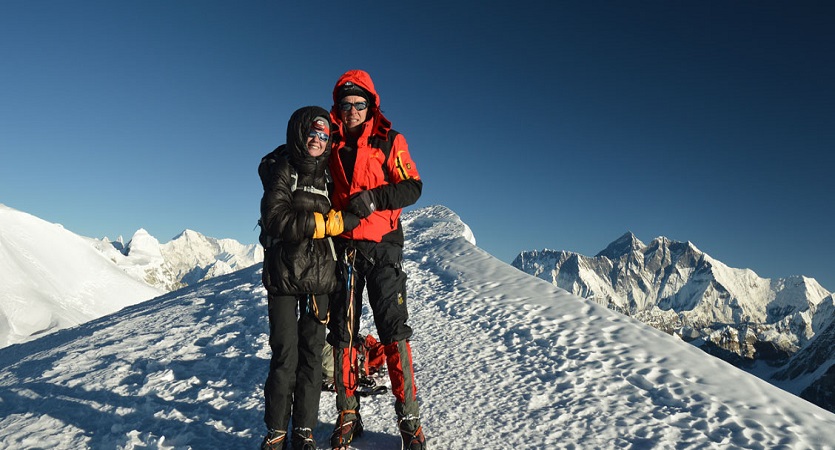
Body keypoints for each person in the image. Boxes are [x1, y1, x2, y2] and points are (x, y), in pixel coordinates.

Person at [325, 70, 426, 450]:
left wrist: (375, 199)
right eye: (345, 104)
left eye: (358, 104)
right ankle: (348, 412)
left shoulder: (389, 140)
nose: (351, 110)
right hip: (346, 250)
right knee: (344, 335)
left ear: (371, 106)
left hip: (383, 248)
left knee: (393, 332)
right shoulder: (330, 142)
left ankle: (410, 419)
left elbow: (412, 186)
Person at [258, 106, 360, 450]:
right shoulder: (284, 169)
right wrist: (319, 224)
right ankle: (275, 431)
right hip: (284, 276)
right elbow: (274, 217)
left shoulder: (330, 175)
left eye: (323, 135)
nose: (317, 140)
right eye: (312, 134)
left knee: (312, 357)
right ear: (300, 135)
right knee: (285, 355)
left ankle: (304, 429)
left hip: (320, 279)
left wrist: (349, 220)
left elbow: (348, 213)